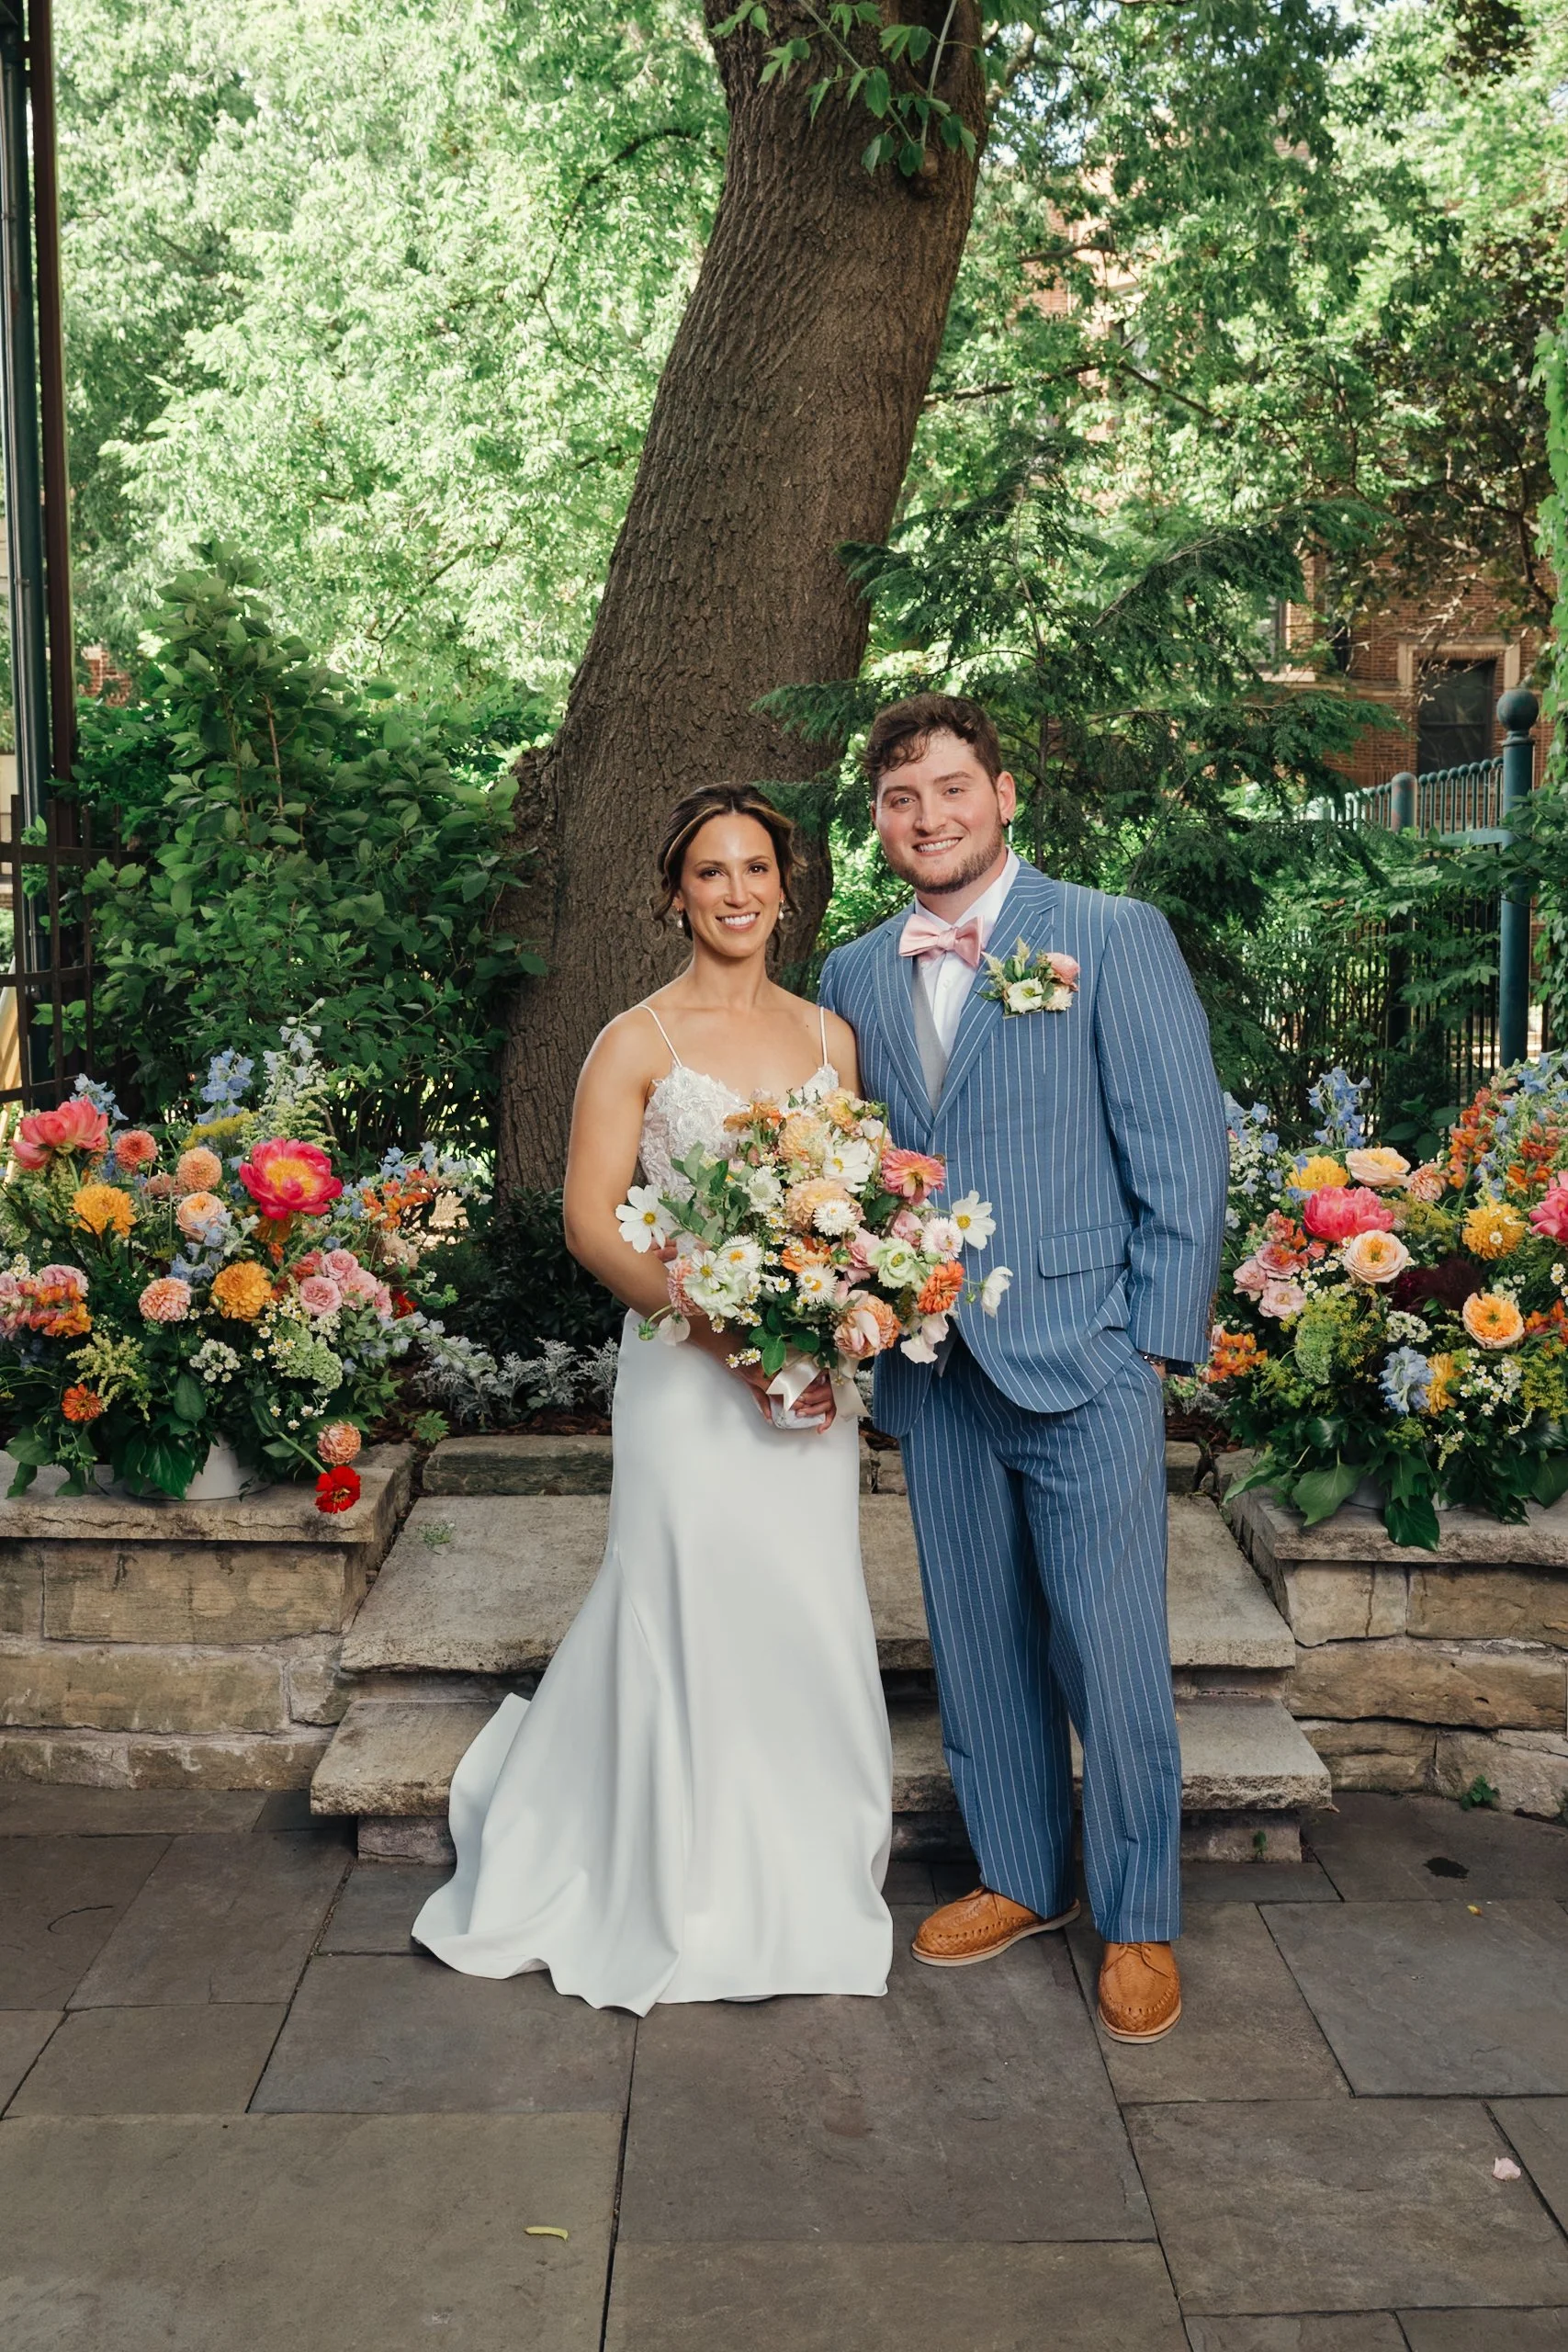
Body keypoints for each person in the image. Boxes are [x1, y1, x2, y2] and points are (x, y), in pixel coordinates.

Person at [412, 785, 893, 2011]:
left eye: (755, 868)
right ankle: (668, 1879)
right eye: (710, 872)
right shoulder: (637, 1040)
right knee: (680, 1596)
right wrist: (722, 1332)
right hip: (684, 1375)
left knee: (801, 1603)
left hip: (804, 1381)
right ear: (674, 893)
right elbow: (589, 1223)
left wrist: (826, 1315)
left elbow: (849, 1206)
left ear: (789, 886)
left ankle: (799, 1871)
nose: (736, 892)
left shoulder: (832, 1039)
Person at [818, 693, 1227, 2042]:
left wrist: (1149, 1347)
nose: (927, 817)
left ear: (1001, 796)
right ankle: (1016, 1876)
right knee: (977, 1642)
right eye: (899, 799)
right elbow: (853, 1175)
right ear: (878, 822)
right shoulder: (856, 974)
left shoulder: (1108, 937)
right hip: (935, 1377)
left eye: (948, 789)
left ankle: (1140, 1918)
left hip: (1085, 1361)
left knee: (1110, 1656)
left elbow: (1177, 1156)